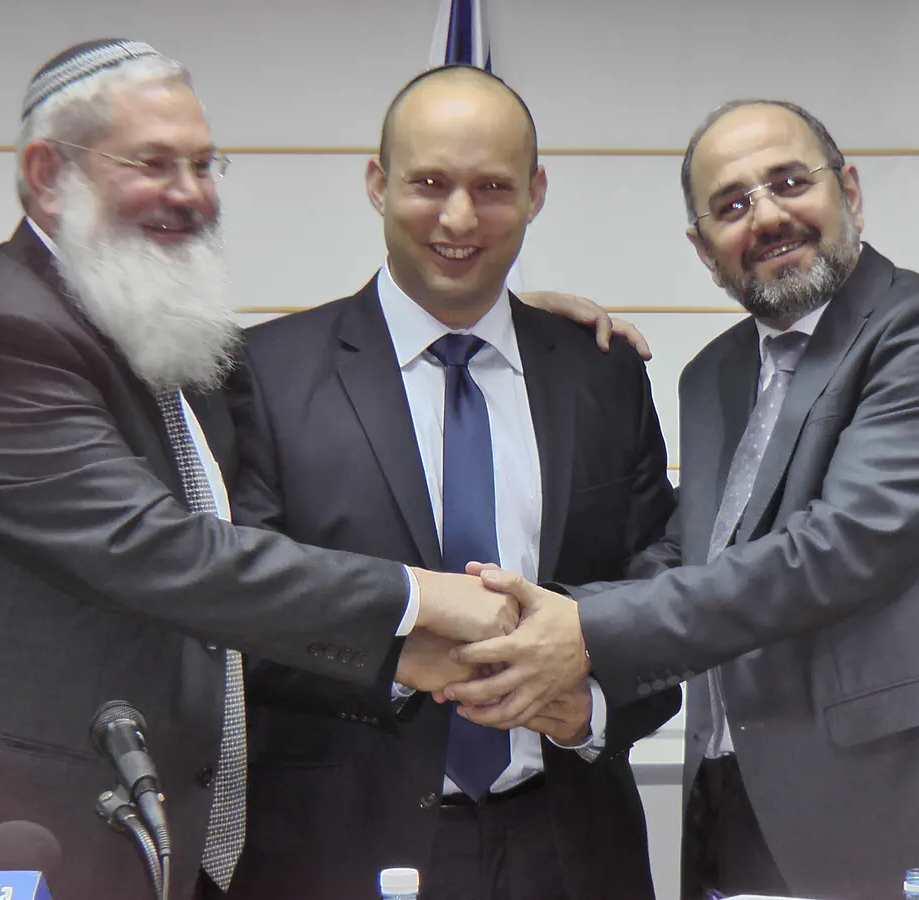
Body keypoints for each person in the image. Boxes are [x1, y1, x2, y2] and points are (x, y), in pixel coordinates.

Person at [0, 39, 588, 900]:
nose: (189, 192)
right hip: (29, 836)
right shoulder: (0, 332)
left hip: (142, 825)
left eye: (203, 163)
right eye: (152, 163)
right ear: (45, 175)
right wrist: (421, 598)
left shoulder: (135, 326)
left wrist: (498, 324)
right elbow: (161, 551)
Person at [443, 100, 919, 900]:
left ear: (849, 191)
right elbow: (692, 557)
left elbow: (836, 552)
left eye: (789, 182)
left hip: (917, 815)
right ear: (704, 249)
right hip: (738, 815)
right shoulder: (714, 375)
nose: (769, 216)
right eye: (733, 204)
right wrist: (525, 617)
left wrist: (581, 629)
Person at [224, 65, 679, 900]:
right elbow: (233, 614)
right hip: (337, 852)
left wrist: (591, 702)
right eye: (429, 183)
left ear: (536, 193)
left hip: (574, 848)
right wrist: (398, 657)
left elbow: (663, 589)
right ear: (377, 183)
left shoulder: (603, 374)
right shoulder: (264, 375)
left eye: (493, 187)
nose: (460, 218)